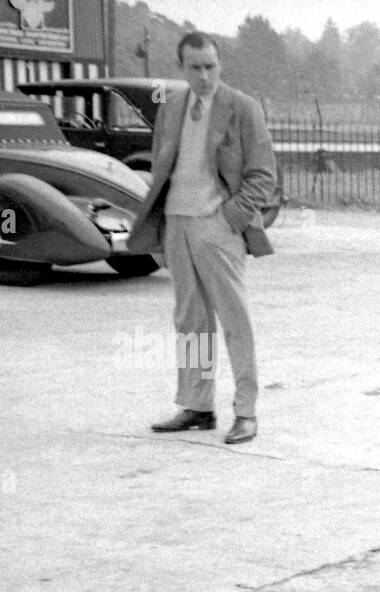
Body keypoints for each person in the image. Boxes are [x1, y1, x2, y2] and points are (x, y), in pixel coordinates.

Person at [133, 30, 278, 445]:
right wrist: (162, 222)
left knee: (235, 320)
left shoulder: (243, 108)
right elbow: (163, 164)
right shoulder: (172, 105)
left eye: (210, 66)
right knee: (190, 320)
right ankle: (196, 405)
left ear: (221, 64)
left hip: (218, 227)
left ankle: (246, 412)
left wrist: (231, 216)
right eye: (195, 68)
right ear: (182, 67)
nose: (204, 76)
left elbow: (263, 173)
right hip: (177, 224)